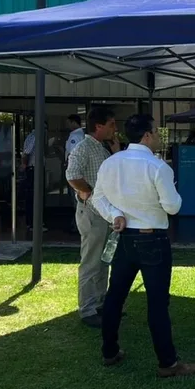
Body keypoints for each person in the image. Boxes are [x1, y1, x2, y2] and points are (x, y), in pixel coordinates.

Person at [92, 114, 195, 378]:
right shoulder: (158, 167)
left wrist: (114, 214)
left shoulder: (111, 163)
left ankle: (109, 351)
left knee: (115, 297)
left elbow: (98, 198)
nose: (159, 137)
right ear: (147, 135)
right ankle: (168, 363)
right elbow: (173, 206)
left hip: (123, 237)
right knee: (157, 303)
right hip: (152, 238)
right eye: (156, 133)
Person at [66, 105, 119, 328]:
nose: (115, 129)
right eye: (111, 125)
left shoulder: (102, 147)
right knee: (91, 262)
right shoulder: (84, 147)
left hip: (104, 214)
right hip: (92, 214)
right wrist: (87, 192)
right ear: (99, 126)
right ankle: (87, 309)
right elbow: (71, 175)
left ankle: (100, 303)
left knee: (104, 260)